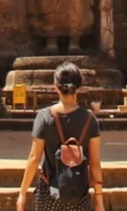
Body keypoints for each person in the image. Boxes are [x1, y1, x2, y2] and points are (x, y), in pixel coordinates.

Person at [17, 62, 105, 211]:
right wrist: (99, 200)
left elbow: (34, 158)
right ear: (80, 87)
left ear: (55, 86)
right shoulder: (90, 120)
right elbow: (94, 163)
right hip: (78, 195)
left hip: (49, 194)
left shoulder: (44, 117)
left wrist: (22, 193)